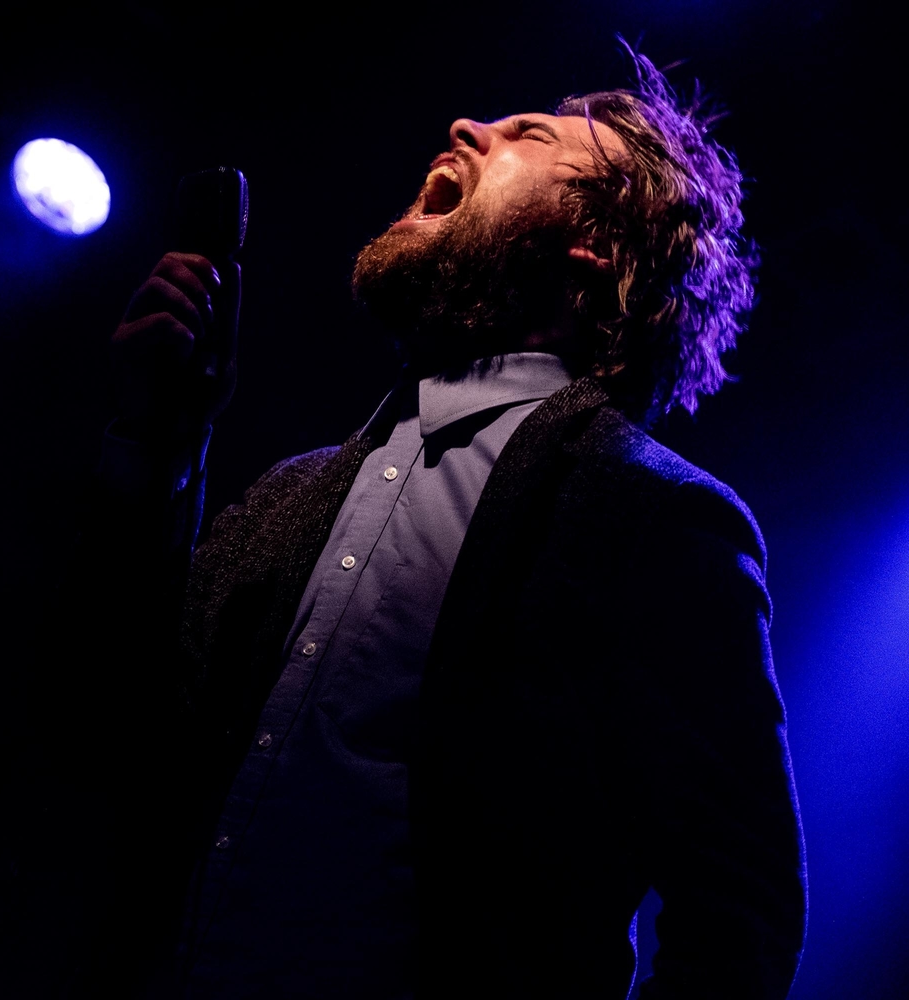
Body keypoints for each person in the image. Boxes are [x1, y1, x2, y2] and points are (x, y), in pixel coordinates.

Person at [62, 50, 806, 999]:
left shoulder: (652, 513)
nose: (466, 128)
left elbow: (738, 912)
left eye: (527, 137)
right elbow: (103, 724)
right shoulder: (289, 496)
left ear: (598, 244)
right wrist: (157, 439)